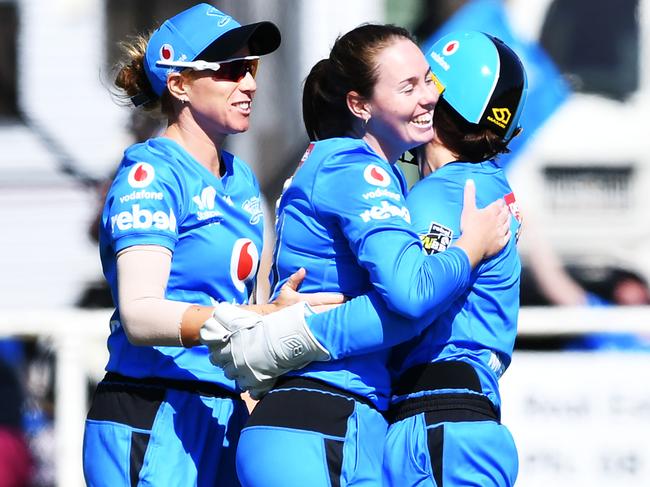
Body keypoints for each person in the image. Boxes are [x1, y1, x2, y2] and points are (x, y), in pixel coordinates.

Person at [203, 24, 512, 487]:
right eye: (409, 86)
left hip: (331, 423)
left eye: (430, 81)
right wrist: (471, 246)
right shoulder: (356, 164)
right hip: (321, 423)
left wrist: (286, 329)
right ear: (360, 104)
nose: (429, 97)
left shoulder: (345, 163)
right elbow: (412, 296)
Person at [79, 4, 332, 486]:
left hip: (222, 412)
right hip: (152, 411)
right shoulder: (151, 174)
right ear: (179, 84)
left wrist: (274, 319)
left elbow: (251, 308)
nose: (251, 84)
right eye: (232, 70)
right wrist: (256, 318)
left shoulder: (242, 182)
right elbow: (139, 314)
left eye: (252, 68)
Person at [381, 31, 526, 486]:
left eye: (423, 86)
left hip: (438, 422)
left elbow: (410, 298)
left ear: (437, 103)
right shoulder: (488, 186)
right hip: (461, 418)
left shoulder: (442, 192)